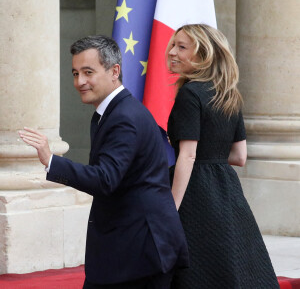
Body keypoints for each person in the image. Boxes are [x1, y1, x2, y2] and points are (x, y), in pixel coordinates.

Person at [19, 35, 189, 289]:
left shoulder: (124, 117)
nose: (80, 82)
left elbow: (105, 179)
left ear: (114, 71)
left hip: (141, 253)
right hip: (130, 250)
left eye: (88, 72)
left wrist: (51, 160)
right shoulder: (111, 112)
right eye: (75, 73)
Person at [166, 24, 279, 288]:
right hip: (227, 190)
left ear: (204, 54)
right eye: (172, 45)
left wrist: (170, 210)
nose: (171, 52)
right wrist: (212, 156)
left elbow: (188, 155)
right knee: (232, 265)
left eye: (181, 47)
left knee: (197, 272)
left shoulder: (190, 94)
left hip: (194, 193)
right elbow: (240, 156)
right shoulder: (229, 94)